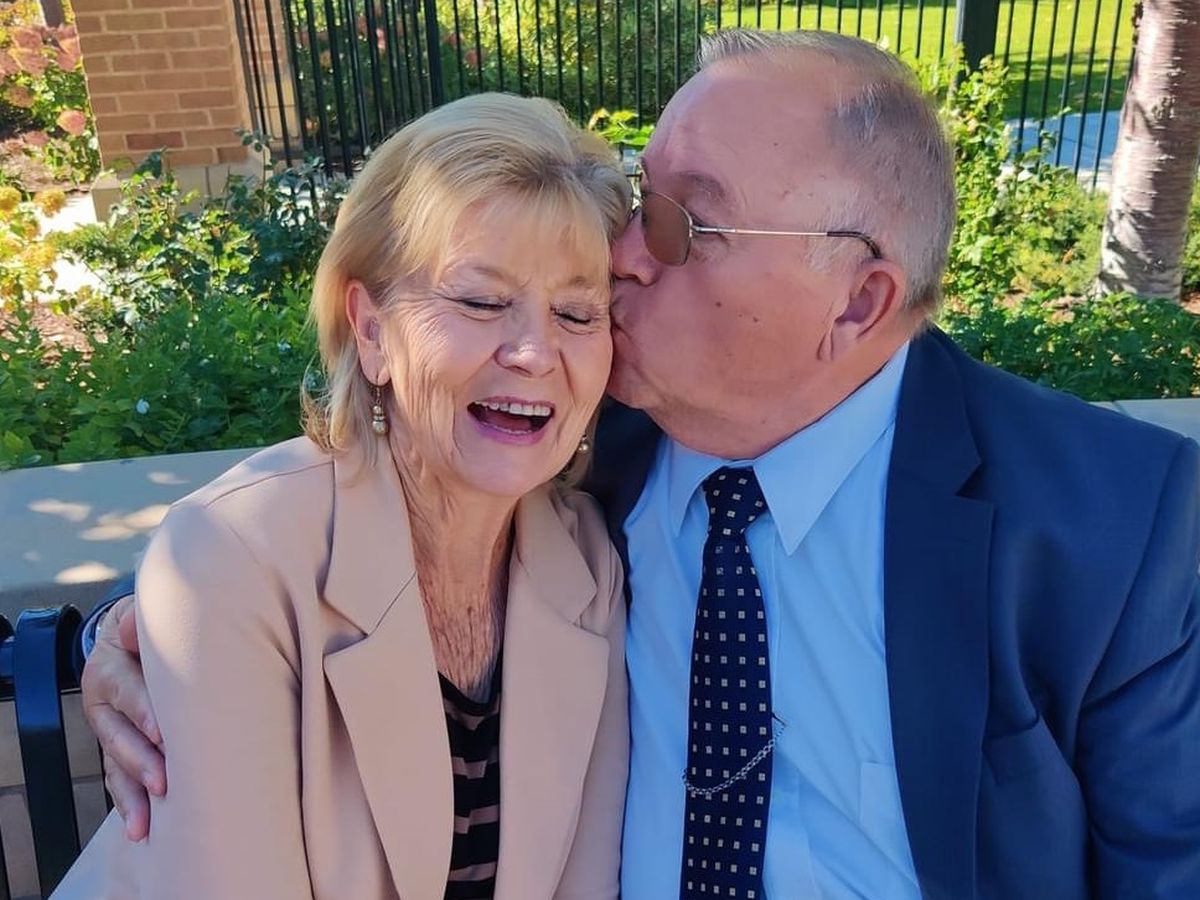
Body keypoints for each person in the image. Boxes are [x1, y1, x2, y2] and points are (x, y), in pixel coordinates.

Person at [81, 28, 1200, 900]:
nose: (616, 258)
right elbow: (336, 507)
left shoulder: (1114, 527)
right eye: (638, 198)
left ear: (858, 302)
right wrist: (145, 634)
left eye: (681, 225)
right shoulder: (588, 447)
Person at [55, 92, 631, 899]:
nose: (535, 352)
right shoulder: (235, 560)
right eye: (480, 301)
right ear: (371, 330)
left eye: (576, 312)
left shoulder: (589, 564)